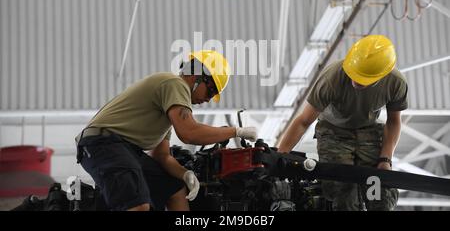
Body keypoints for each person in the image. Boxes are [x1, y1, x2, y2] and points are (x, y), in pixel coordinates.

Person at [75, 50, 257, 211]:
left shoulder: (170, 108)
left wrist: (185, 174)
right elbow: (189, 133)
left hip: (122, 148)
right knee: (137, 205)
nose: (208, 99)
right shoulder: (174, 84)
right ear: (197, 76)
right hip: (103, 144)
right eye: (210, 91)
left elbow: (162, 156)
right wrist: (236, 132)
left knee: (174, 190)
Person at [278, 35, 408, 211]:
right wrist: (280, 157)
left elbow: (393, 122)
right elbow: (303, 121)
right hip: (333, 133)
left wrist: (386, 159)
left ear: (381, 76)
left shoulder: (395, 83)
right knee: (343, 193)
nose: (355, 80)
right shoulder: (332, 78)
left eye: (362, 78)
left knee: (379, 193)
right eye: (354, 73)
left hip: (368, 130)